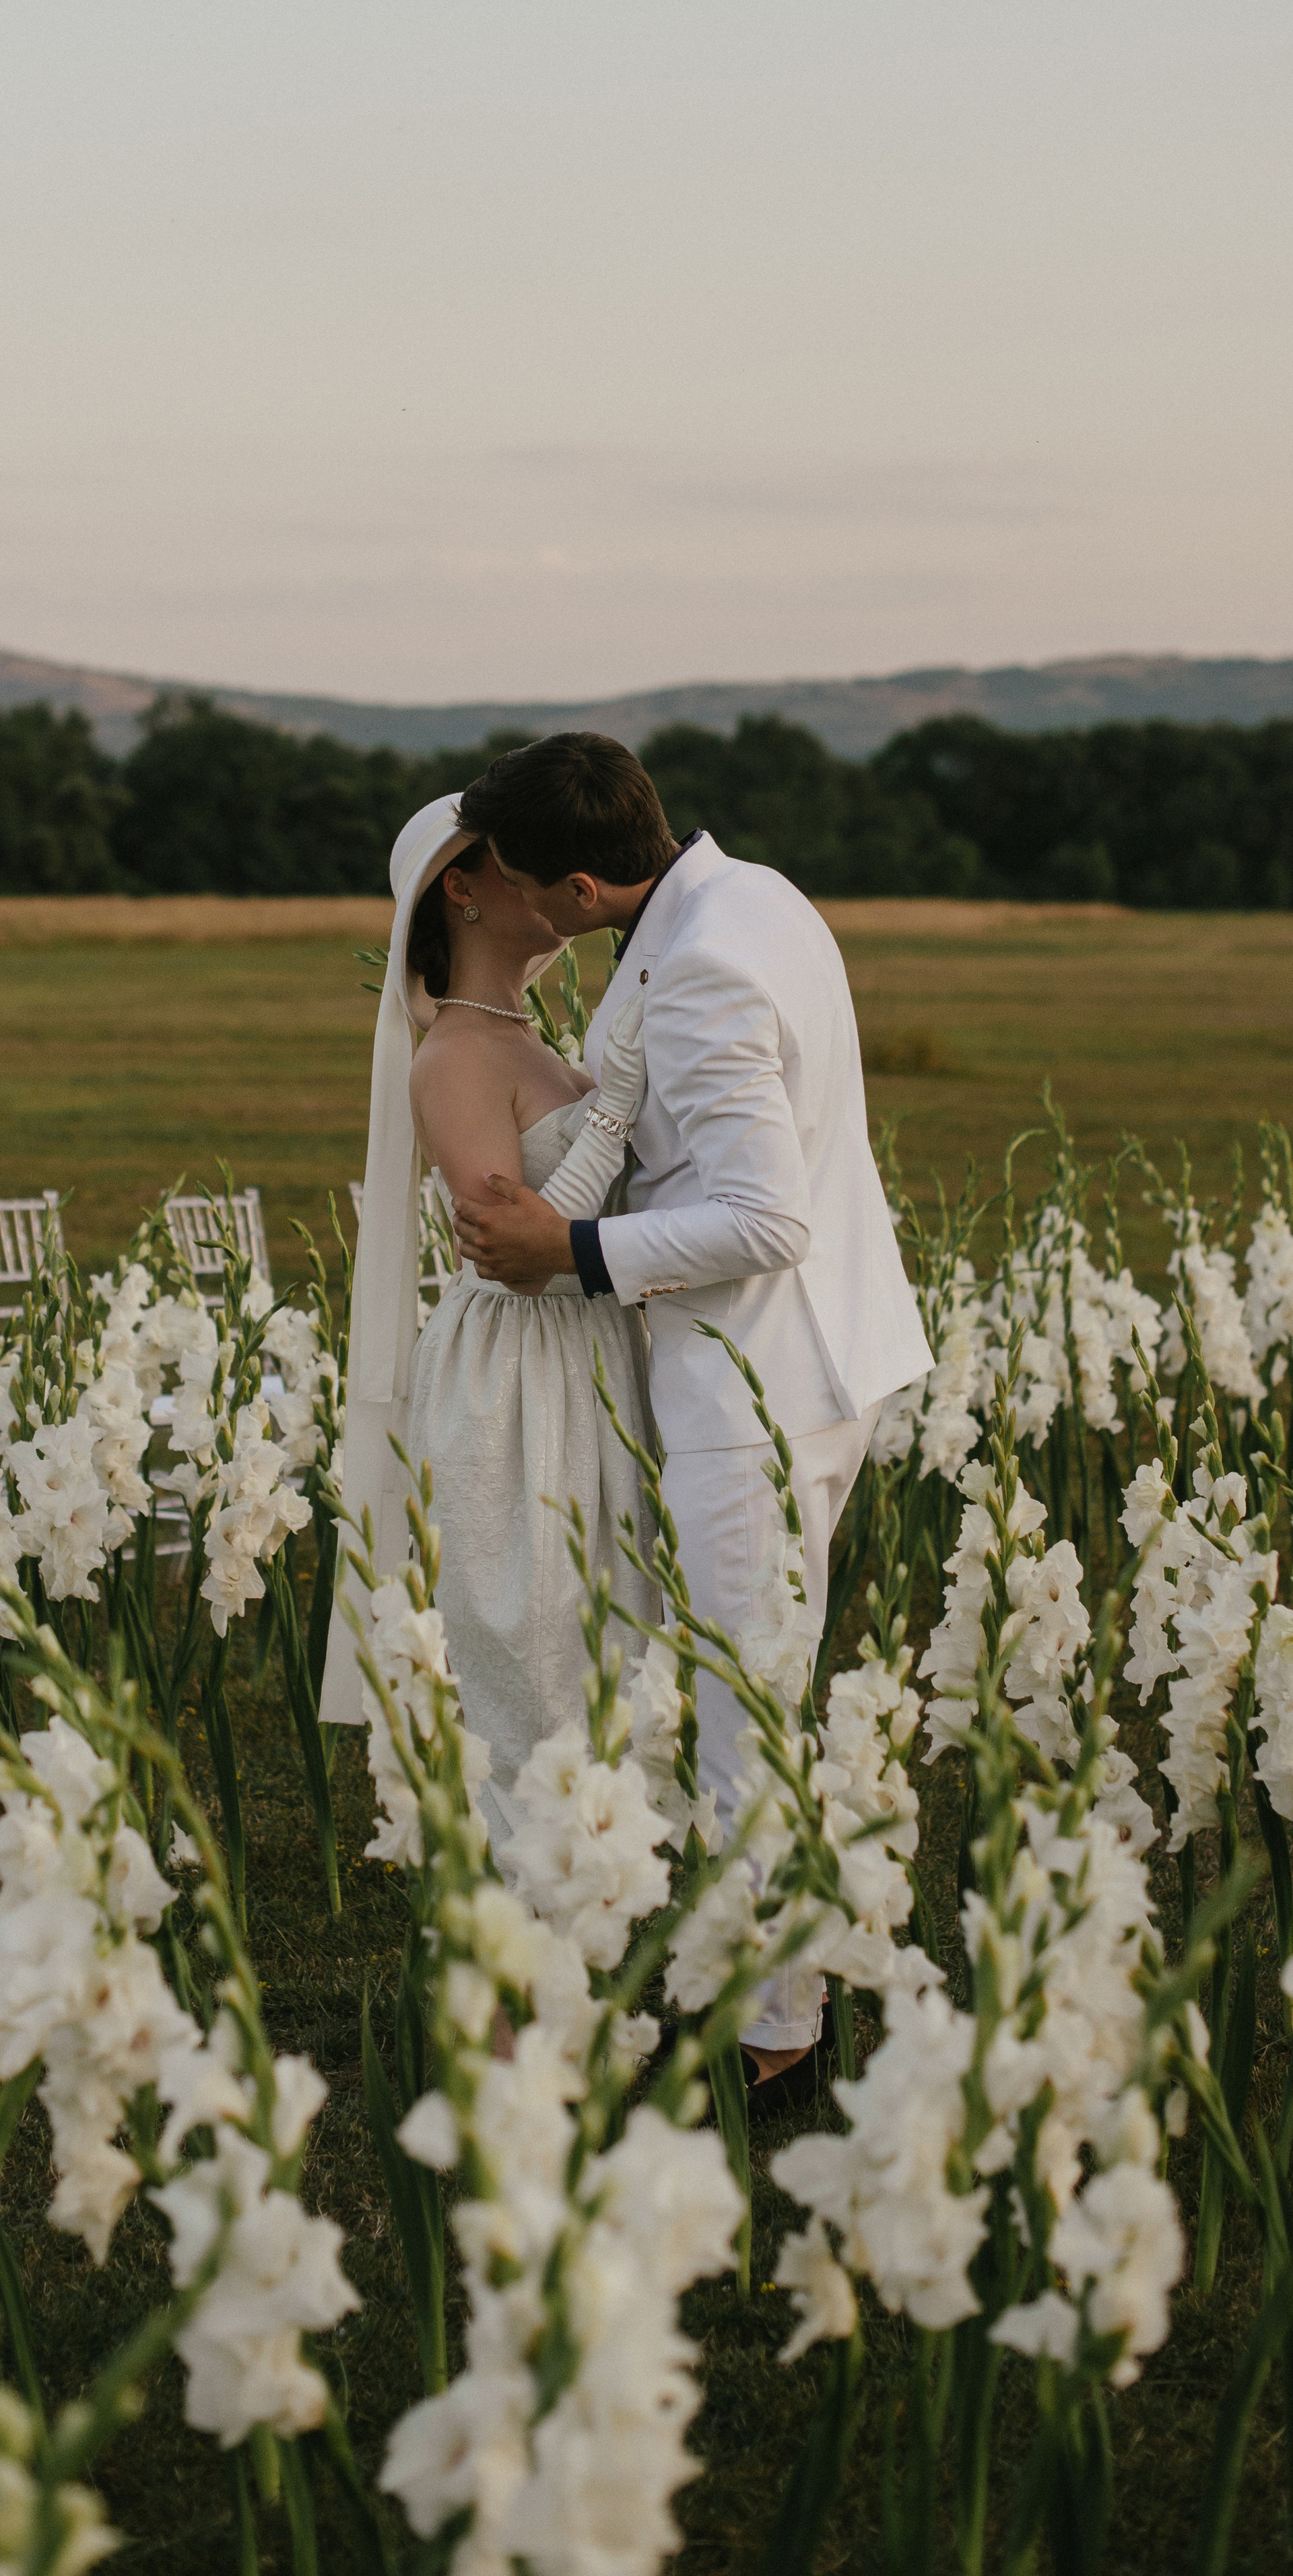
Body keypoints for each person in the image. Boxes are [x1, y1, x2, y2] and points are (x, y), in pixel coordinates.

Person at [446, 733, 933, 2088]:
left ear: (587, 880)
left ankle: (774, 2038)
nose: (529, 917)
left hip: (758, 1383)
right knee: (752, 1690)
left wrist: (571, 1253)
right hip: (810, 1359)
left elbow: (761, 1214)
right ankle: (776, 1992)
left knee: (740, 1710)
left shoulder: (708, 957)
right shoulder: (749, 892)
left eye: (534, 891)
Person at [317, 795, 657, 1857]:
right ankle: (524, 1963)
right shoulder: (454, 1058)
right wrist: (618, 1108)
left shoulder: (536, 1039)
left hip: (589, 1353)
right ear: (462, 889)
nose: (554, 868)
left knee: (611, 1639)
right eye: (519, 860)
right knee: (535, 1653)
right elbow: (519, 1250)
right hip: (519, 1376)